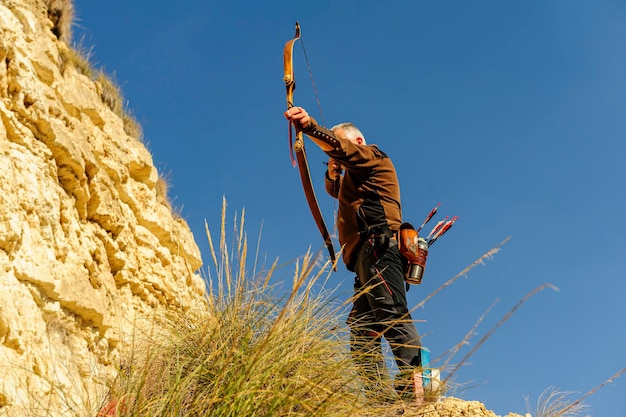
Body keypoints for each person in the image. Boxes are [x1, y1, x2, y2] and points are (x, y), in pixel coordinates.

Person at [284, 107, 424, 403]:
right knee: (362, 334)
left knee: (392, 315)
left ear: (356, 141)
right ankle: (381, 403)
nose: (337, 158)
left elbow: (341, 149)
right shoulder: (356, 177)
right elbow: (335, 190)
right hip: (366, 258)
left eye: (341, 149)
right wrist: (332, 171)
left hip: (379, 248)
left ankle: (419, 394)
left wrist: (309, 126)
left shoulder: (373, 156)